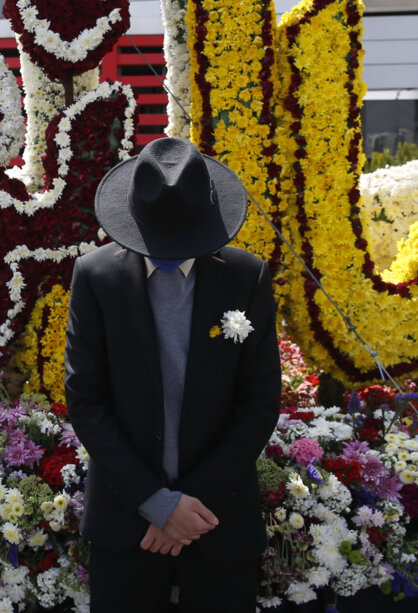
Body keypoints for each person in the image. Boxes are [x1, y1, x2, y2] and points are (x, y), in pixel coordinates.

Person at [65, 137, 280, 613]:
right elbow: (86, 399)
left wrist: (189, 506)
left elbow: (260, 401)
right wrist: (155, 502)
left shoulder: (245, 276)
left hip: (217, 518)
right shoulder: (96, 276)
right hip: (126, 521)